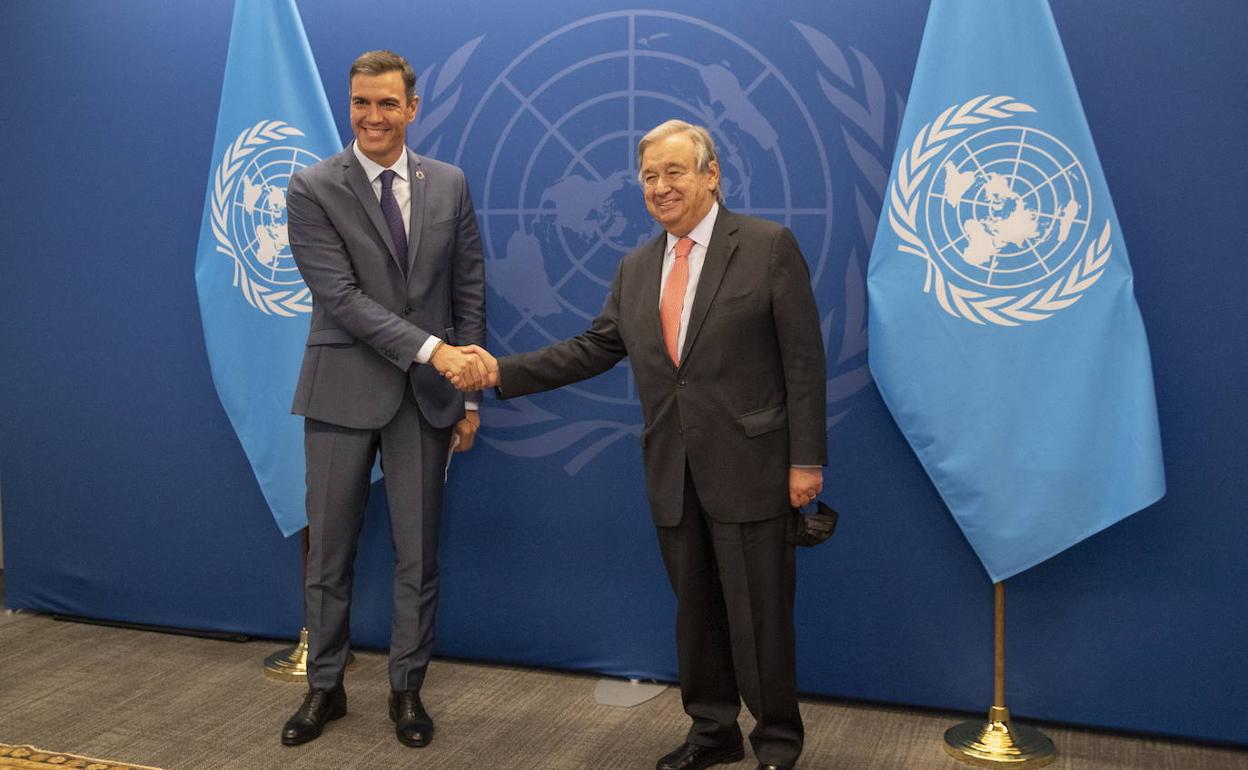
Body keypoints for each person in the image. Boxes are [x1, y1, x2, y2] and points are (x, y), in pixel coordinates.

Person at [460, 120, 826, 770]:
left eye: (675, 171)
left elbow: (803, 361)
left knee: (760, 620)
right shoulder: (636, 268)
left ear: (712, 175)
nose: (661, 187)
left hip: (753, 470)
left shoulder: (768, 247)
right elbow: (595, 347)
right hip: (672, 472)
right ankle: (712, 732)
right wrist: (499, 371)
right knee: (697, 617)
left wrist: (805, 460)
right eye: (650, 176)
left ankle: (776, 745)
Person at [279, 50, 488, 749]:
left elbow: (469, 289)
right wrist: (433, 350)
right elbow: (339, 299)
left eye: (386, 104)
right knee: (329, 554)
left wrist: (470, 392)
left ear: (413, 108)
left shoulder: (450, 184)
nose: (372, 117)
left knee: (417, 557)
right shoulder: (311, 187)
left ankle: (406, 691)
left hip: (428, 401)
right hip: (341, 391)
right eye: (361, 103)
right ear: (350, 106)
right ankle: (325, 688)